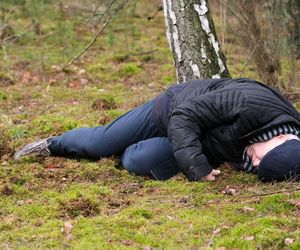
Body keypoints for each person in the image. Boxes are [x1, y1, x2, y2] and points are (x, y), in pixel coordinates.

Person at [14, 78, 300, 182]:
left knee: (135, 162)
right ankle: (52, 143)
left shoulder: (282, 156)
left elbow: (270, 162)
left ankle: (127, 146)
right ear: (280, 136)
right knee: (100, 144)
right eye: (263, 158)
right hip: (173, 110)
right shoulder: (251, 103)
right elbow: (185, 115)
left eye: (260, 168)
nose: (255, 162)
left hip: (198, 142)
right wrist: (197, 167)